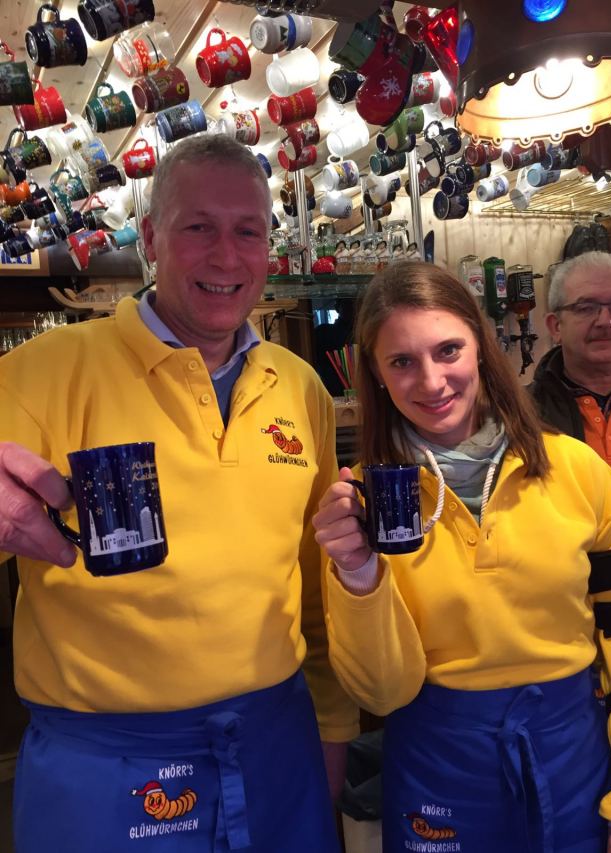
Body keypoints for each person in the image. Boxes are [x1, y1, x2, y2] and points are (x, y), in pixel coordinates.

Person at [0, 134, 357, 853]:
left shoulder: (300, 386)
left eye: (247, 231)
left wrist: (332, 734)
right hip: (104, 765)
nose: (226, 256)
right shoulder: (41, 372)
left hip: (277, 742)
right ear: (154, 239)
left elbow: (318, 591)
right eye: (199, 228)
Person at [312, 260, 611, 852]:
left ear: (483, 350)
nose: (432, 381)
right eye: (402, 362)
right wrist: (358, 574)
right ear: (377, 375)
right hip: (438, 771)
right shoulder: (360, 504)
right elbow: (381, 695)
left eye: (448, 350)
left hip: (574, 763)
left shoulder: (577, 470)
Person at [529, 251, 611, 528]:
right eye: (586, 307)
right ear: (556, 326)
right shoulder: (521, 414)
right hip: (577, 571)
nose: (605, 320)